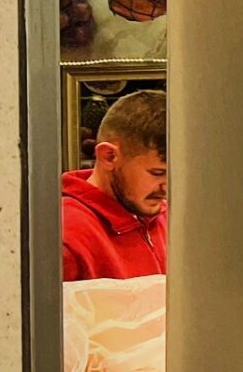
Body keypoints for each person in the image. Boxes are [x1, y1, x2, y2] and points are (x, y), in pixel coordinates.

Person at [63, 90, 168, 280]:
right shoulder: (65, 235)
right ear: (109, 156)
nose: (167, 189)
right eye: (158, 173)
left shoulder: (169, 218)